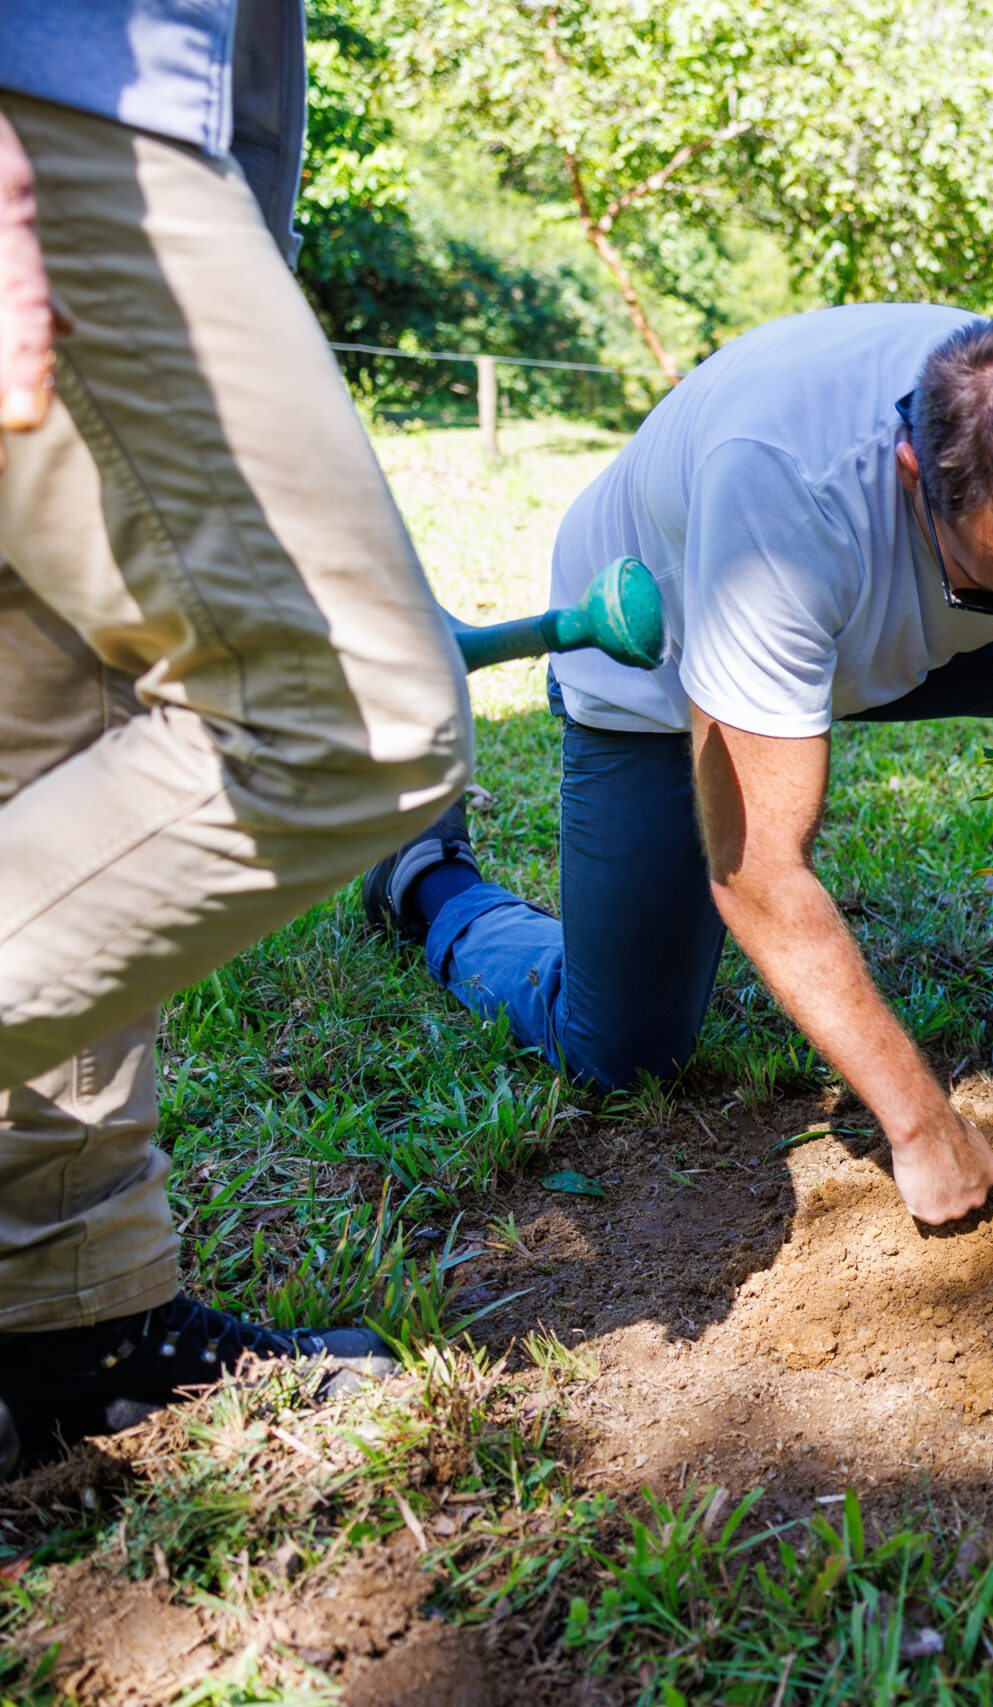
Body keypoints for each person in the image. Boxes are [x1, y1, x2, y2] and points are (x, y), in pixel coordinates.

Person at [362, 306, 993, 1228]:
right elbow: (758, 866)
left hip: (877, 631)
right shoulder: (783, 489)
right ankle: (427, 881)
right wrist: (921, 1121)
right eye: (989, 588)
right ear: (913, 477)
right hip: (667, 660)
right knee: (620, 1049)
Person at [0, 1, 473, 1474]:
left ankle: (71, 1314)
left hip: (183, 87)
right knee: (344, 714)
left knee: (58, 719)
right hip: (57, 93)